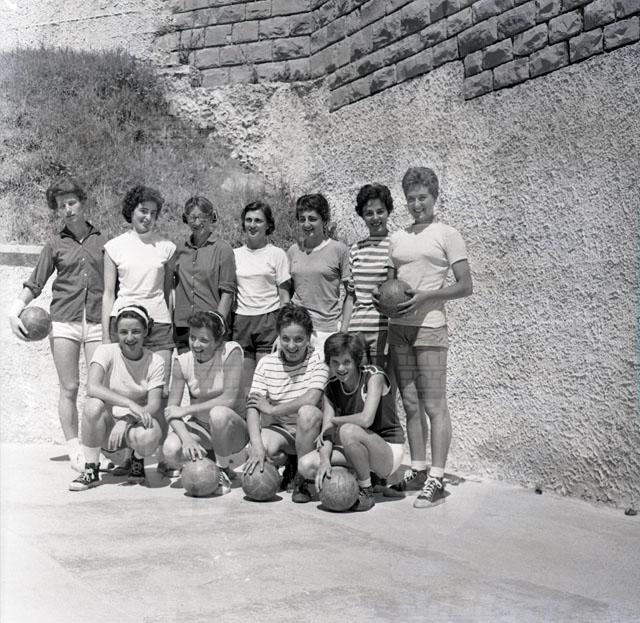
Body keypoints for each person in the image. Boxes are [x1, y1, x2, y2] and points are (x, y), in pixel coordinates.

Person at [382, 166, 473, 508]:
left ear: (434, 197)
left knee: (434, 404)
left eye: (422, 197)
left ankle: (437, 477)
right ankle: (418, 470)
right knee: (410, 403)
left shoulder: (447, 234)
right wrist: (382, 299)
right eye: (411, 198)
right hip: (400, 330)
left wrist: (427, 297)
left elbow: (465, 285)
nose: (417, 204)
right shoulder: (397, 238)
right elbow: (390, 285)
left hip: (430, 328)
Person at [8, 177, 106, 472]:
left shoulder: (104, 242)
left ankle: (96, 449)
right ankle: (74, 449)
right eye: (61, 206)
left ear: (83, 203)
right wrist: (14, 310)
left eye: (72, 203)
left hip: (98, 323)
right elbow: (35, 282)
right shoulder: (54, 244)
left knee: (97, 390)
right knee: (69, 387)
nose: (67, 209)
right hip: (64, 321)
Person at [102, 185, 176, 473]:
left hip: (159, 325)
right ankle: (131, 458)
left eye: (154, 213)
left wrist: (169, 326)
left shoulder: (166, 248)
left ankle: (160, 458)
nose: (148, 217)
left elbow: (168, 292)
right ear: (131, 211)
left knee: (160, 392)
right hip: (124, 323)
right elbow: (109, 293)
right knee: (128, 391)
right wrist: (106, 336)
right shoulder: (114, 246)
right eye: (143, 211)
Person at [298, 333, 405, 511]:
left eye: (346, 362)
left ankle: (366, 490)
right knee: (306, 465)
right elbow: (327, 433)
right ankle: (361, 477)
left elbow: (366, 419)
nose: (341, 368)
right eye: (335, 362)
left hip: (388, 450)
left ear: (356, 360)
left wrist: (334, 421)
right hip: (358, 448)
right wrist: (324, 460)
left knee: (347, 430)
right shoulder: (331, 387)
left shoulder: (374, 376)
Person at [69, 305, 164, 490]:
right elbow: (92, 387)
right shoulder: (105, 351)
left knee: (151, 432)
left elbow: (153, 404)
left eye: (136, 331)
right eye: (123, 332)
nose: (129, 337)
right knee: (93, 405)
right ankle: (91, 470)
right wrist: (129, 403)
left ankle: (137, 461)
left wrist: (127, 419)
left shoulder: (156, 361)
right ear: (116, 333)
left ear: (146, 331)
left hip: (132, 428)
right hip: (106, 431)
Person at [244, 303, 329, 503]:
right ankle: (289, 463)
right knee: (254, 449)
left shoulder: (320, 358)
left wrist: (273, 409)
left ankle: (302, 478)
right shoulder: (266, 363)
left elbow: (311, 398)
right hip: (282, 431)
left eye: (299, 339)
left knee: (307, 412)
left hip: (312, 432)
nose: (291, 346)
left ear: (309, 337)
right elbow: (253, 406)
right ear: (278, 336)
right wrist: (257, 446)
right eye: (285, 339)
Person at [162, 311, 246, 493]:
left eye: (204, 340)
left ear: (218, 342)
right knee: (170, 450)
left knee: (219, 413)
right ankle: (206, 463)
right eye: (192, 338)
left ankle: (223, 470)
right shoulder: (182, 362)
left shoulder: (231, 352)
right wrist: (186, 440)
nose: (196, 345)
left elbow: (229, 399)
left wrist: (187, 410)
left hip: (234, 431)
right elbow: (171, 410)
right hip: (202, 428)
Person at [232, 200, 290, 393]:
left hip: (269, 321)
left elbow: (284, 297)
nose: (252, 225)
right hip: (241, 321)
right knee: (245, 387)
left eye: (258, 220)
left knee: (267, 383)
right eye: (248, 220)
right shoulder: (234, 255)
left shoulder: (277, 254)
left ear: (268, 225)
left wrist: (282, 331)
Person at [287, 194, 351, 354]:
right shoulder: (293, 251)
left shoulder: (339, 250)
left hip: (327, 331)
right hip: (297, 330)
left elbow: (351, 294)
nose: (306, 224)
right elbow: (287, 291)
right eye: (302, 219)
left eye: (312, 219)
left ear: (324, 220)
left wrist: (343, 329)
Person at [173, 196, 236, 354]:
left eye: (202, 217)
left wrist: (218, 324)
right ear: (186, 219)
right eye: (192, 217)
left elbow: (227, 293)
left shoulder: (223, 250)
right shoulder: (178, 250)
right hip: (183, 327)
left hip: (210, 326)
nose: (197, 222)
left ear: (211, 217)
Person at [342, 183, 394, 366]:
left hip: (383, 331)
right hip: (356, 331)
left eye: (380, 211)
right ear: (362, 216)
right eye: (369, 213)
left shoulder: (396, 245)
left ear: (388, 211)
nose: (375, 217)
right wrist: (344, 330)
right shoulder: (355, 249)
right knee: (358, 383)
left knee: (382, 382)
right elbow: (351, 296)